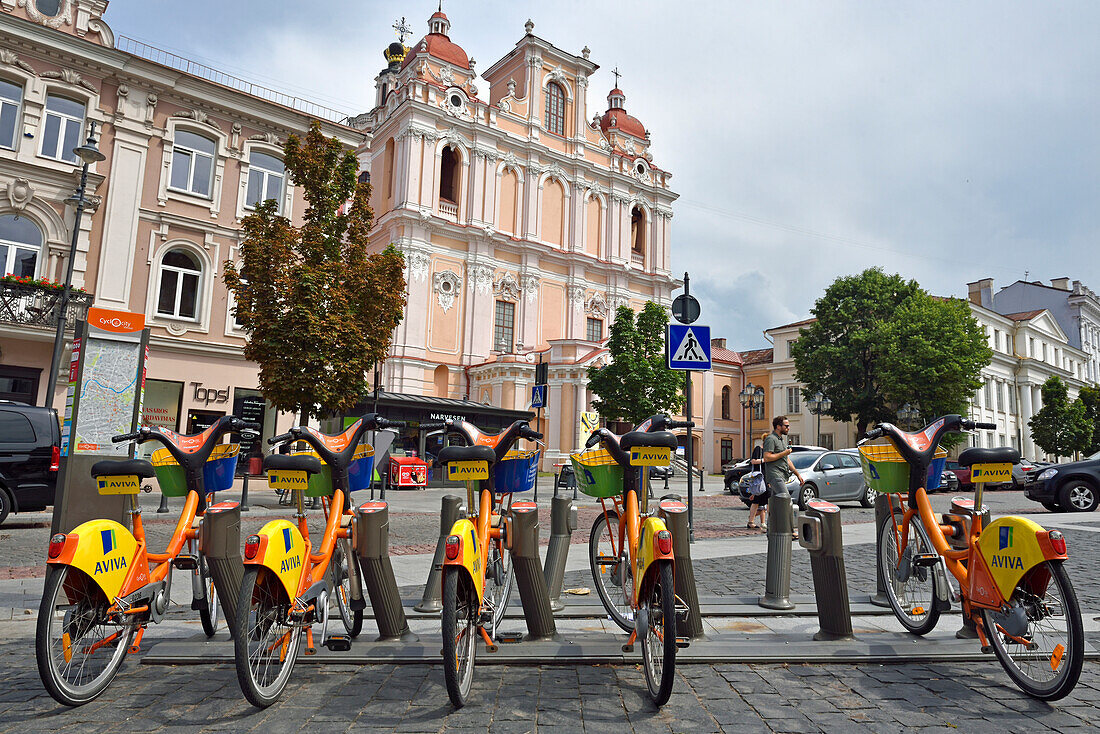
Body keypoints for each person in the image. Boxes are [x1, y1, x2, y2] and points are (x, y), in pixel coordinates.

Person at [762, 415, 804, 540]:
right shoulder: (771, 439)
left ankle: (770, 531)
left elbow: (787, 459)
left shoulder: (781, 440)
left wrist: (797, 474)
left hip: (781, 474)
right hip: (775, 475)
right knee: (786, 502)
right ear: (778, 426)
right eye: (786, 426)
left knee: (775, 504)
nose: (788, 428)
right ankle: (789, 531)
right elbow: (767, 457)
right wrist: (784, 453)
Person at [746, 433, 768, 530]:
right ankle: (751, 521)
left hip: (767, 477)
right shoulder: (759, 449)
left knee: (763, 501)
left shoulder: (769, 451)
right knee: (757, 501)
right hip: (760, 477)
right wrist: (764, 460)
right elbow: (753, 461)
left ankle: (762, 522)